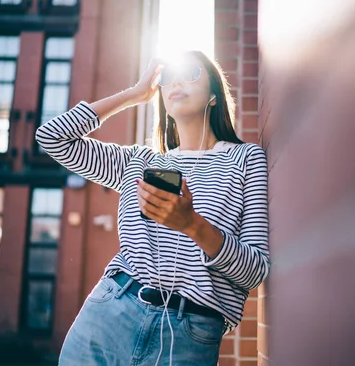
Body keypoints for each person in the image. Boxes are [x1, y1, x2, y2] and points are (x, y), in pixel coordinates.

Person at [36, 50, 270, 366]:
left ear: (215, 93)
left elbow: (255, 271)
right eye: (168, 78)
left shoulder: (246, 160)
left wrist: (192, 225)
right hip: (111, 312)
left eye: (191, 73)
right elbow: (52, 138)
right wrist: (134, 94)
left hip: (190, 333)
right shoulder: (140, 163)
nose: (176, 82)